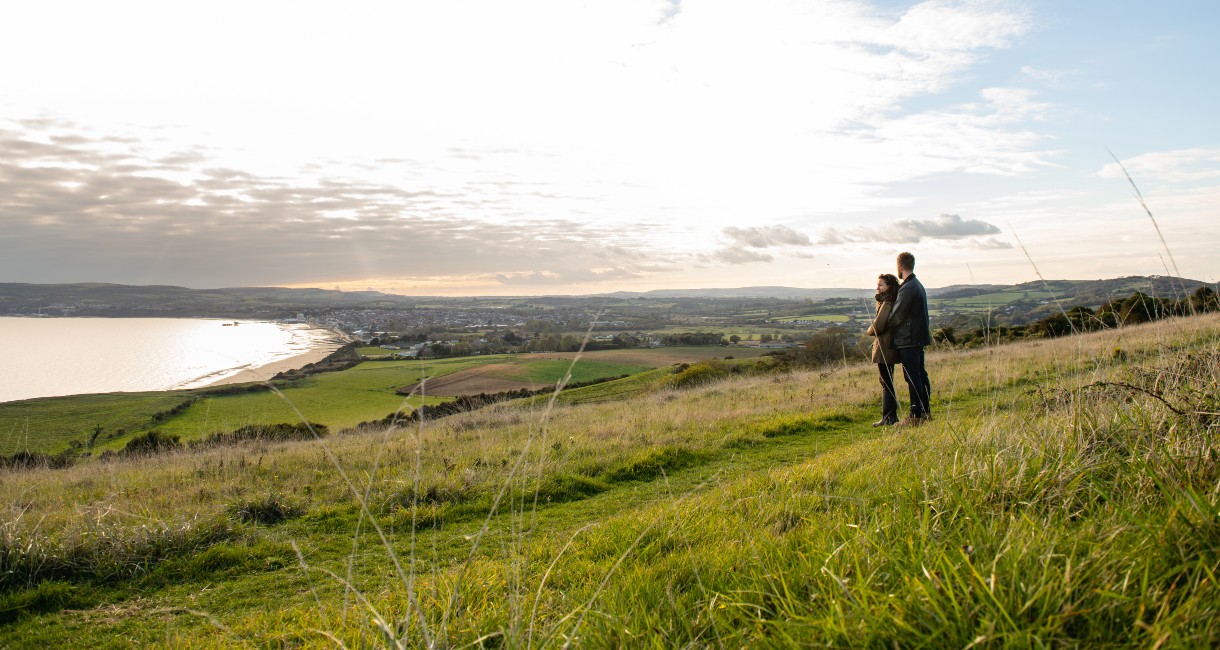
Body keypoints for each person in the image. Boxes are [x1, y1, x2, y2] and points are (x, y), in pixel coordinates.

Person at [887, 251, 932, 425]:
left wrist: (883, 325)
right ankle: (925, 412)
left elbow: (897, 315)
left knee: (912, 377)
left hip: (908, 338)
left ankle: (916, 414)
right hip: (918, 336)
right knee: (920, 375)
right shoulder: (917, 285)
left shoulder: (907, 288)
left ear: (899, 266)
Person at [867, 273, 901, 426]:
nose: (877, 288)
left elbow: (878, 325)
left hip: (885, 346)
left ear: (889, 286)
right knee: (887, 381)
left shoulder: (887, 302)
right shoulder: (890, 301)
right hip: (888, 345)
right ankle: (889, 416)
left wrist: (869, 331)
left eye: (881, 285)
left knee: (886, 382)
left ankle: (889, 417)